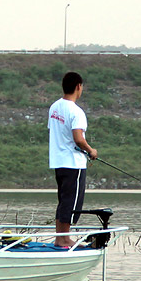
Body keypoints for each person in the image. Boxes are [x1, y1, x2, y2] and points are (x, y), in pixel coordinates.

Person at [48, 71, 97, 247]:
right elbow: (78, 138)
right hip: (73, 164)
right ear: (78, 87)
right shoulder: (76, 111)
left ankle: (59, 237)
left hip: (58, 162)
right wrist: (91, 150)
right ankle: (65, 238)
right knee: (71, 201)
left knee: (63, 200)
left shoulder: (54, 107)